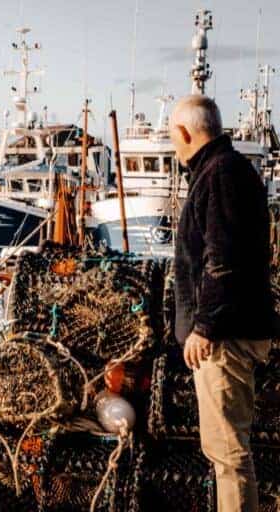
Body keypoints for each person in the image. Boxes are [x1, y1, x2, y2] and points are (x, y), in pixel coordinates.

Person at [171, 94, 277, 512]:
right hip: (230, 333)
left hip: (224, 340)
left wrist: (204, 327)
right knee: (225, 450)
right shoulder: (227, 171)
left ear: (184, 132)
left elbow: (223, 259)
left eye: (172, 138)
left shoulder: (219, 174)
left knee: (228, 452)